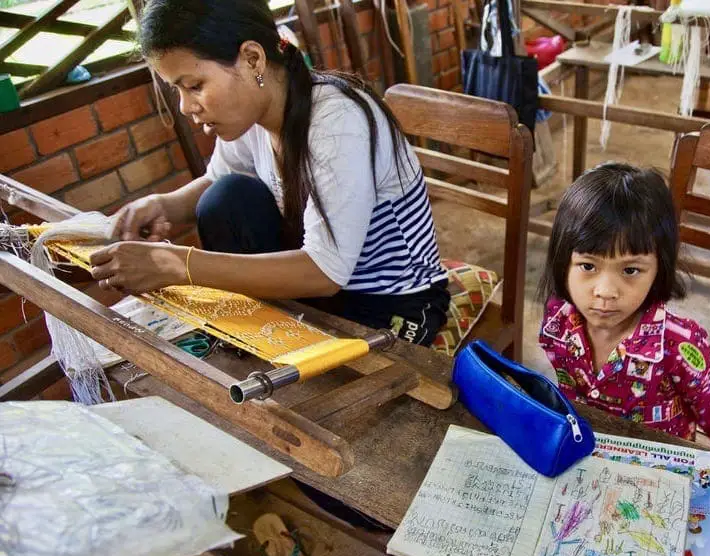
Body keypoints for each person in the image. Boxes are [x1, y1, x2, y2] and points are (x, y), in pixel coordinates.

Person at [88, 0, 449, 347]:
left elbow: (324, 273)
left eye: (195, 85)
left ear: (252, 58)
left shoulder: (337, 121)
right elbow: (215, 181)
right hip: (327, 289)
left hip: (394, 302)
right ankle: (261, 332)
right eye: (177, 90)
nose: (186, 107)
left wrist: (177, 264)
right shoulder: (253, 118)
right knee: (225, 198)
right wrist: (163, 205)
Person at [537, 163, 710, 460]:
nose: (605, 291)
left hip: (662, 473)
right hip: (587, 458)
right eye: (588, 266)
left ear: (659, 268)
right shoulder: (558, 321)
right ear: (562, 260)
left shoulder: (680, 345)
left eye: (630, 270)